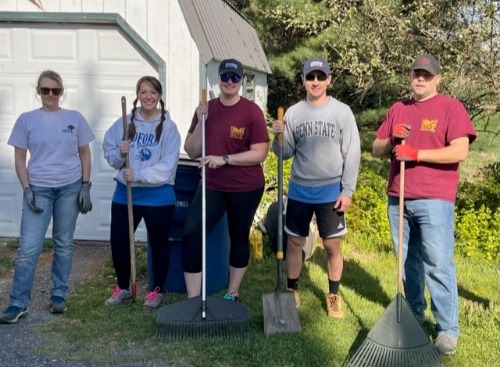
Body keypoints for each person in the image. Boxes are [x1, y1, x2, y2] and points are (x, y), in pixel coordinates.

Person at [372, 54, 477, 355]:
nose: (420, 79)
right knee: (407, 262)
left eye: (426, 75)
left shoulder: (450, 108)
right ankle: (415, 315)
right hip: (399, 197)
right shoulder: (398, 109)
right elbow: (376, 148)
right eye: (416, 73)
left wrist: (416, 154)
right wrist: (392, 141)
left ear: (437, 79)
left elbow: (459, 151)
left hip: (434, 199)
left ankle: (447, 329)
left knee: (438, 263)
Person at [0, 70, 95, 324]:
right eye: (45, 90)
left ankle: (58, 297)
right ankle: (18, 303)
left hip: (70, 188)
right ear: (38, 92)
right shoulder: (26, 120)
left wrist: (86, 185)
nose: (50, 95)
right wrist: (27, 188)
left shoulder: (74, 118)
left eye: (55, 90)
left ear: (62, 92)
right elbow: (20, 158)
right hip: (38, 189)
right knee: (28, 249)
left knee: (63, 244)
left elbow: (85, 153)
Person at [271, 57, 361, 318]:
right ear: (303, 80)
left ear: (329, 80)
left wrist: (348, 191)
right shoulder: (293, 113)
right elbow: (285, 153)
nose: (316, 82)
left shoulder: (342, 112)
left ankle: (333, 294)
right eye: (311, 77)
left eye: (321, 77)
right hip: (300, 188)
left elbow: (352, 152)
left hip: (331, 190)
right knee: (295, 243)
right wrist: (278, 136)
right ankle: (292, 289)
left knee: (332, 246)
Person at [183, 58, 269, 302]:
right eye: (225, 77)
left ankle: (232, 292)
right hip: (212, 185)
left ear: (241, 81)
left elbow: (259, 153)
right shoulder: (206, 108)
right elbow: (191, 150)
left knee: (238, 236)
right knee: (191, 233)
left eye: (235, 78)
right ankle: (192, 298)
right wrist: (202, 121)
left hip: (246, 186)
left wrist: (225, 158)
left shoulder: (252, 112)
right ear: (218, 79)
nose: (229, 82)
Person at [103, 76, 181, 310]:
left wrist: (138, 175)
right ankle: (123, 288)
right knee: (119, 241)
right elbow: (111, 157)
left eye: (153, 92)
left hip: (158, 195)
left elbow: (168, 167)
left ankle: (156, 290)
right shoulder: (124, 123)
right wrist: (120, 150)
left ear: (159, 96)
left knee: (158, 243)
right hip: (126, 193)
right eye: (143, 92)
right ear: (138, 95)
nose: (148, 96)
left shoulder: (168, 127)